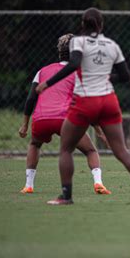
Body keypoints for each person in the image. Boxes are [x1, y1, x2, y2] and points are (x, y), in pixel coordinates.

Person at [36, 8, 130, 206]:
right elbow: (125, 76)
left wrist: (48, 83)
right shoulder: (112, 45)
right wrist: (107, 77)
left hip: (86, 101)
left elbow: (73, 64)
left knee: (66, 148)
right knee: (121, 150)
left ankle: (66, 196)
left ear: (83, 24)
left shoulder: (78, 41)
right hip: (109, 100)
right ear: (101, 25)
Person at [18, 33, 111, 195]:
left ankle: (28, 185)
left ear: (59, 52)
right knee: (90, 151)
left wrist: (25, 124)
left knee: (35, 144)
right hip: (65, 119)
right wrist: (99, 131)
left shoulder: (42, 71)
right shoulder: (79, 73)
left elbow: (30, 99)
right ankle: (98, 183)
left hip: (42, 118)